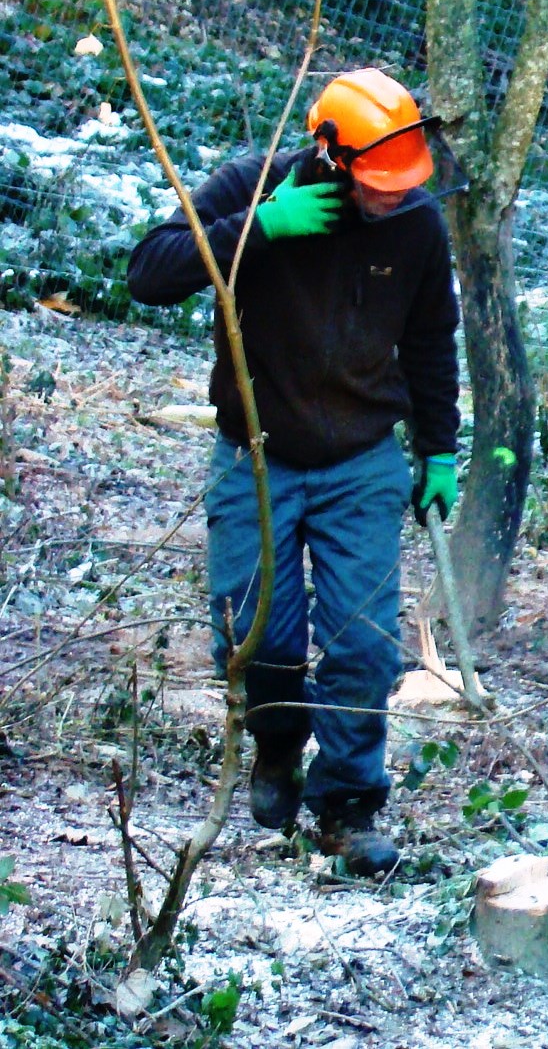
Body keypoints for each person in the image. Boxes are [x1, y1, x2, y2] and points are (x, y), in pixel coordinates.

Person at [127, 68, 462, 878]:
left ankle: (348, 805)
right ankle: (276, 744)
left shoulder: (415, 224)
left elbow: (429, 343)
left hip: (362, 461)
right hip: (259, 454)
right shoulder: (256, 187)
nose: (392, 194)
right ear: (331, 154)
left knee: (362, 645)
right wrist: (255, 229)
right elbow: (147, 273)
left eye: (402, 178)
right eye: (376, 181)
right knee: (256, 637)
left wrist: (441, 448)